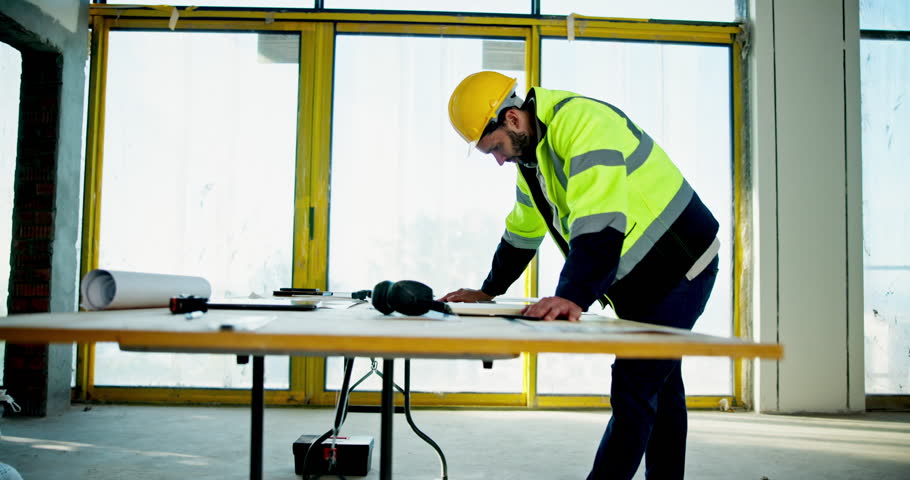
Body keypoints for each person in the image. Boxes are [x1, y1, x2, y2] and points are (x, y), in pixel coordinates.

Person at [439, 71, 721, 479]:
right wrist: (488, 291)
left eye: (496, 148)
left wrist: (572, 296)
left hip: (680, 266)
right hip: (640, 281)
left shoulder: (583, 124)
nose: (500, 160)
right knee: (659, 386)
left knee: (634, 389)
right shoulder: (533, 161)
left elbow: (600, 217)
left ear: (513, 118)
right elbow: (523, 229)